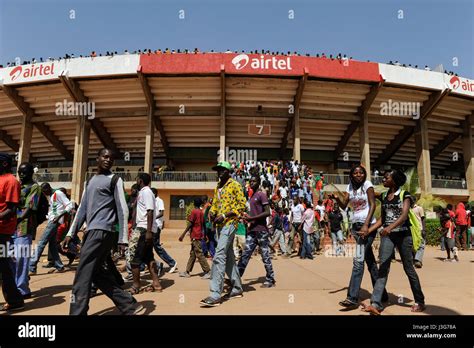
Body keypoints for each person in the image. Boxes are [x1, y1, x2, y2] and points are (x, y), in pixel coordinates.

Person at [62, 148, 144, 315]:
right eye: (105, 157)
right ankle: (128, 304)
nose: (108, 160)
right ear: (97, 158)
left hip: (102, 232)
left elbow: (122, 210)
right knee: (97, 273)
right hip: (91, 232)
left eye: (111, 158)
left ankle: (77, 313)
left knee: (82, 274)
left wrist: (123, 239)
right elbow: (82, 210)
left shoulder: (115, 180)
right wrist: (71, 233)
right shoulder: (89, 182)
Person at [362, 169, 425, 315]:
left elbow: (403, 216)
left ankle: (420, 301)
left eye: (386, 178)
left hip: (404, 235)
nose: (383, 180)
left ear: (394, 180)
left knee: (408, 269)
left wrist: (389, 228)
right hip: (388, 236)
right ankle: (376, 304)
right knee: (383, 267)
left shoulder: (405, 195)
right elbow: (382, 219)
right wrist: (369, 230)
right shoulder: (384, 196)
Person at [332, 164, 387, 310]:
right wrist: (337, 198)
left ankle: (352, 298)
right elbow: (344, 206)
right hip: (356, 225)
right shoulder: (350, 187)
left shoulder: (367, 185)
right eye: (355, 173)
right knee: (370, 261)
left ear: (365, 174)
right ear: (351, 175)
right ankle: (382, 293)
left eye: (361, 172)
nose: (358, 174)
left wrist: (366, 225)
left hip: (367, 226)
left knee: (358, 261)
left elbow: (373, 204)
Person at [200, 161, 246, 307]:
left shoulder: (235, 185)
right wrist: (212, 213)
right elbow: (214, 205)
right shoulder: (218, 187)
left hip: (230, 224)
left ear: (229, 172)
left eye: (222, 170)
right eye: (218, 170)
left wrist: (225, 215)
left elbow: (241, 205)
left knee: (219, 255)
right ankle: (237, 288)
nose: (219, 172)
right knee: (229, 257)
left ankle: (215, 294)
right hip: (219, 226)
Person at [127, 173, 162, 294]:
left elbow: (150, 211)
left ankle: (136, 285)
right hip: (144, 229)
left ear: (140, 180)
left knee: (133, 258)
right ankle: (156, 284)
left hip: (143, 229)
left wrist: (148, 232)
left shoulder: (146, 192)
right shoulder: (142, 192)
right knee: (148, 257)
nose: (136, 180)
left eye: (137, 178)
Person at [238, 175, 276, 288]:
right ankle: (236, 278)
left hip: (261, 231)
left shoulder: (261, 195)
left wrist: (251, 218)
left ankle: (270, 279)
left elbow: (268, 212)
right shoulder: (252, 196)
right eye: (251, 181)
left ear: (259, 183)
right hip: (252, 230)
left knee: (265, 256)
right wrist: (247, 218)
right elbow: (254, 213)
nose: (252, 183)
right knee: (245, 254)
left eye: (254, 181)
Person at [29, 182, 72, 275]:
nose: (44, 193)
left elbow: (70, 205)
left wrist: (59, 216)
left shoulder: (58, 193)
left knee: (41, 243)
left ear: (48, 188)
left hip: (54, 222)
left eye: (45, 191)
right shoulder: (52, 196)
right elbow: (53, 209)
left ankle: (31, 267)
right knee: (52, 245)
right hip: (51, 220)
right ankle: (59, 266)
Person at [12, 162, 41, 298]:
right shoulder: (17, 185)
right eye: (20, 172)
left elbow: (31, 207)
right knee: (10, 258)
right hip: (10, 227)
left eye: (25, 172)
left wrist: (17, 219)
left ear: (31, 173)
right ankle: (16, 285)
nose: (22, 175)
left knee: (21, 258)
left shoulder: (35, 187)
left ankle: (23, 290)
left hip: (24, 227)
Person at [0, 153, 24, 312]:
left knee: (3, 267)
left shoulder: (11, 181)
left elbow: (12, 208)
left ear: (4, 164)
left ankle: (15, 299)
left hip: (2, 231)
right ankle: (15, 299)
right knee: (3, 267)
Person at [178, 198, 211, 278]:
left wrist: (183, 234)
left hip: (195, 235)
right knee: (193, 254)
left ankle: (208, 271)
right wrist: (205, 235)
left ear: (194, 204)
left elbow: (190, 224)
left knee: (199, 254)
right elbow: (203, 225)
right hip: (199, 235)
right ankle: (187, 272)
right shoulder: (201, 212)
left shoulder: (194, 212)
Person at [150, 188, 178, 273]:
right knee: (149, 247)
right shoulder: (152, 201)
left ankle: (172, 263)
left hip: (156, 226)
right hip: (152, 226)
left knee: (157, 246)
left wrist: (153, 218)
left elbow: (161, 213)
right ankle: (152, 265)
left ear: (154, 193)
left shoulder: (159, 201)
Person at [412, 201, 426, 268]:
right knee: (413, 246)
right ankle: (416, 260)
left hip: (419, 229)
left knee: (421, 245)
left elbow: (423, 219)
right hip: (411, 230)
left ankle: (417, 260)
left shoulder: (419, 208)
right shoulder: (407, 209)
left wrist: (423, 229)